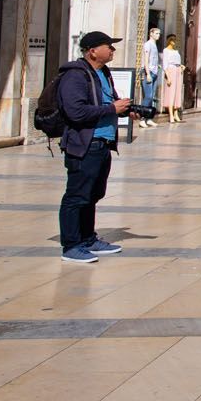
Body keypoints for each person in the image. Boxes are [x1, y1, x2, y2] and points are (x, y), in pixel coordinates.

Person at [55, 31, 133, 263]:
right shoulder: (75, 76)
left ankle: (88, 239)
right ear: (92, 51)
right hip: (84, 143)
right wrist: (112, 110)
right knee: (76, 196)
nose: (113, 50)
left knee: (92, 194)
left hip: (102, 143)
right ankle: (71, 246)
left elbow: (107, 103)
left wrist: (127, 110)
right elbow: (75, 112)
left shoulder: (103, 73)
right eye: (108, 46)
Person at [139, 27, 161, 128]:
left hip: (154, 72)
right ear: (151, 34)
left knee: (151, 97)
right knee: (147, 96)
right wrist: (147, 73)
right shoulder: (148, 45)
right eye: (156, 33)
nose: (158, 35)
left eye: (159, 34)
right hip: (148, 72)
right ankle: (142, 118)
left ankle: (149, 118)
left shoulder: (154, 45)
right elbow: (146, 60)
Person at [160, 34, 184, 123]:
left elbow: (177, 62)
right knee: (171, 93)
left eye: (175, 39)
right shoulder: (166, 51)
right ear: (169, 40)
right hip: (171, 71)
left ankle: (176, 113)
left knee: (177, 92)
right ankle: (170, 114)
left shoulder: (176, 51)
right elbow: (165, 64)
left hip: (178, 71)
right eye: (172, 40)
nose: (174, 41)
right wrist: (168, 77)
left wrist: (181, 66)